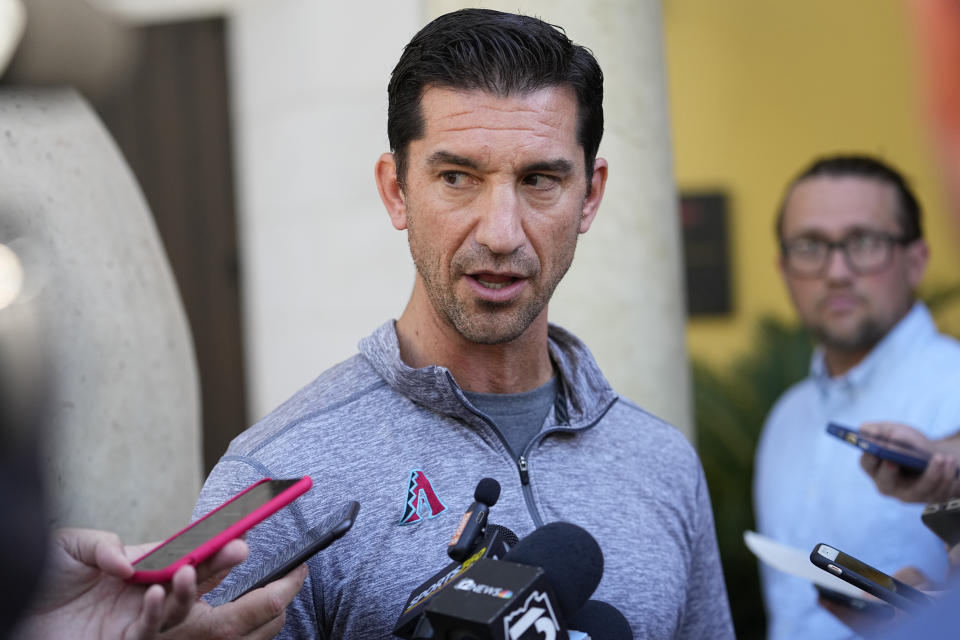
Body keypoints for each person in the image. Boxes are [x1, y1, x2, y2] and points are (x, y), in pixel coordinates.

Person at [192, 8, 733, 639]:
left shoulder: (661, 462)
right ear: (396, 190)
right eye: (457, 178)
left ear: (589, 195)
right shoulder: (277, 479)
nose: (501, 233)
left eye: (539, 180)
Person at [753, 153, 960, 639]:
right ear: (783, 268)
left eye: (864, 243)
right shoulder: (786, 417)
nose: (837, 271)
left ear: (917, 260)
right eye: (810, 246)